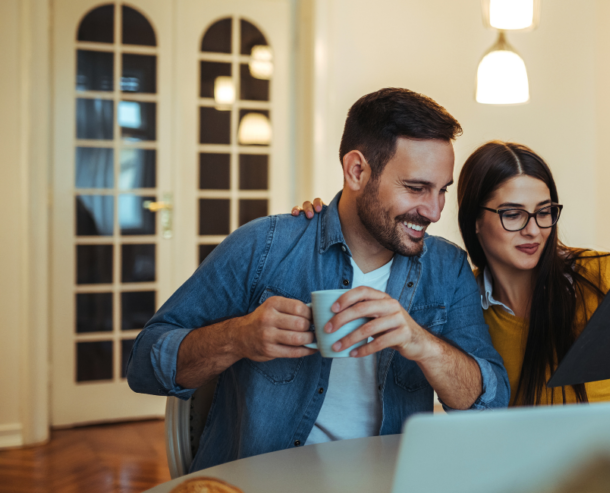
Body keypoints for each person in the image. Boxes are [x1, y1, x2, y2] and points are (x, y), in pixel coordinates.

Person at [127, 88, 510, 472]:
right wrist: (239, 337)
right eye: (415, 188)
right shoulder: (265, 247)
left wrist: (420, 342)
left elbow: (491, 401)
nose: (434, 210)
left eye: (442, 190)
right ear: (356, 170)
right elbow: (146, 363)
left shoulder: (447, 268)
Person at [294, 141, 610, 406]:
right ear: (475, 221)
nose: (533, 230)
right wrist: (326, 217)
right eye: (513, 214)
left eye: (544, 213)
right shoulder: (461, 304)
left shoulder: (598, 275)